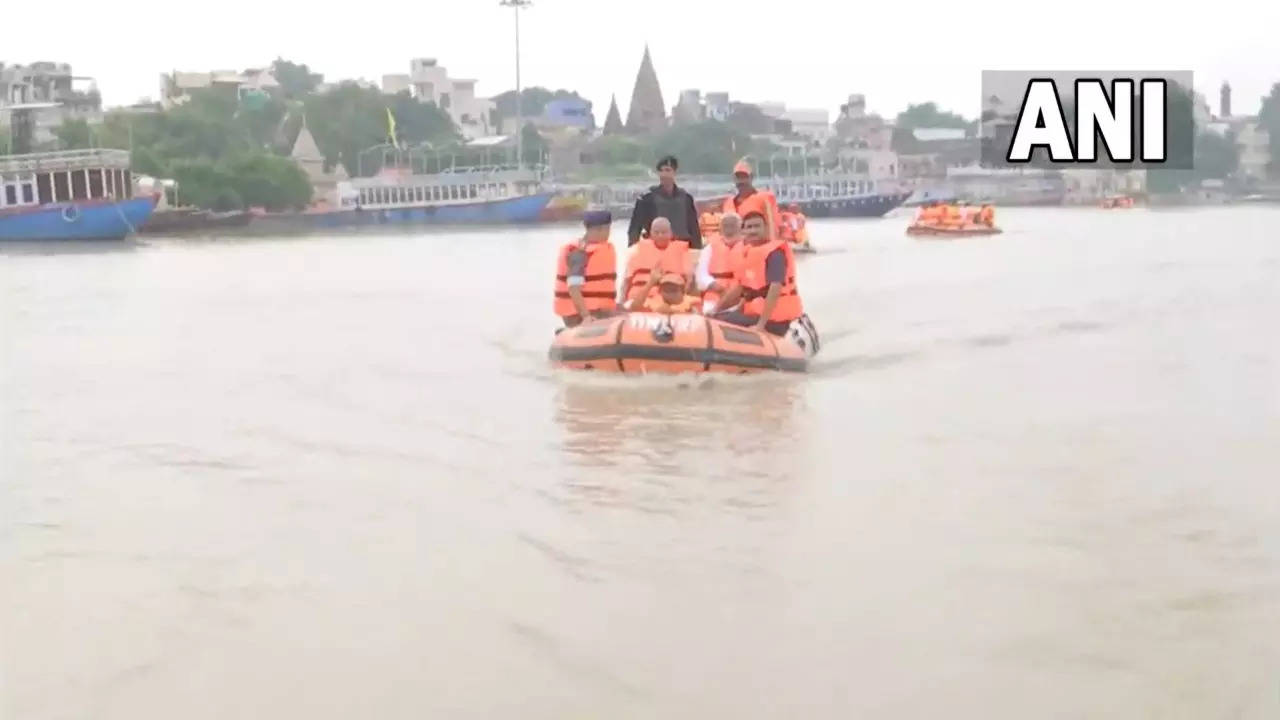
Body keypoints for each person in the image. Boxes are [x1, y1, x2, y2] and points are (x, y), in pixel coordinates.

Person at [710, 211, 803, 336]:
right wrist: (715, 310)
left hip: (778, 317)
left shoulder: (774, 253)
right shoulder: (749, 253)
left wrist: (760, 325)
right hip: (756, 312)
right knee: (718, 318)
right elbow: (740, 288)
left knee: (722, 322)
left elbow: (775, 288)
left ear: (766, 228)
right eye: (749, 227)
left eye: (757, 226)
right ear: (743, 231)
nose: (753, 231)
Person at [554, 210, 618, 327]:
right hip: (580, 314)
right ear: (599, 229)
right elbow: (573, 287)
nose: (608, 234)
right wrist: (586, 316)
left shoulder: (598, 248)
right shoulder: (579, 253)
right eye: (607, 230)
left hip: (601, 310)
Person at [627, 155, 702, 249]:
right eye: (661, 171)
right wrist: (633, 249)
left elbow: (694, 229)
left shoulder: (686, 198)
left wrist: (697, 250)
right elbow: (635, 228)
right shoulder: (647, 199)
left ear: (675, 172)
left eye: (667, 170)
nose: (664, 174)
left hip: (681, 248)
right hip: (656, 249)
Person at [620, 217, 692, 307]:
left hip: (670, 301)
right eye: (656, 232)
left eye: (664, 232)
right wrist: (621, 301)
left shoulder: (682, 251)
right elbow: (626, 281)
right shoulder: (636, 249)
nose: (660, 235)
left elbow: (689, 280)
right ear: (650, 233)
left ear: (671, 234)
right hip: (638, 300)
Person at [696, 211, 747, 313]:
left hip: (741, 298)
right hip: (713, 296)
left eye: (732, 223)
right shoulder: (710, 247)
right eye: (725, 224)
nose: (729, 226)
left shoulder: (748, 246)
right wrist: (718, 288)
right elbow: (700, 276)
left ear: (740, 226)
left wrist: (733, 293)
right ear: (720, 227)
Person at [722, 159, 780, 241]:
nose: (741, 181)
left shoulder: (764, 198)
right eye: (738, 177)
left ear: (751, 177)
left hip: (758, 246)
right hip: (736, 249)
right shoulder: (728, 203)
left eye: (744, 177)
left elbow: (774, 226)